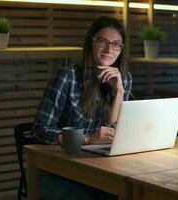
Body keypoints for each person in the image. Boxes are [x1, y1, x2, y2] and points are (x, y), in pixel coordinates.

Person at [33, 16, 132, 200]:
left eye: (117, 44)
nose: (109, 49)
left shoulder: (123, 80)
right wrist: (86, 139)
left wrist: (118, 91)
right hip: (59, 170)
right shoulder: (67, 77)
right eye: (103, 41)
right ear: (91, 43)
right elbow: (40, 129)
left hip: (99, 168)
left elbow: (114, 133)